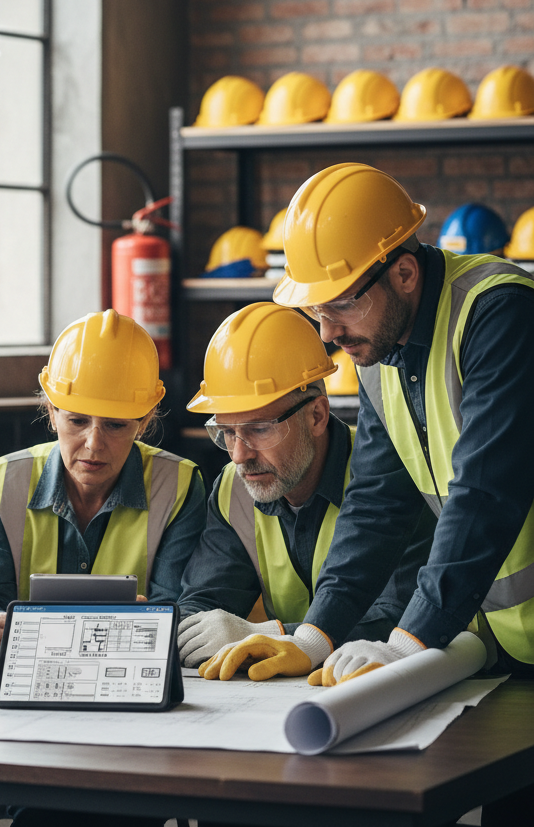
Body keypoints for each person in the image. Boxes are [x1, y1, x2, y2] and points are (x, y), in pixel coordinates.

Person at [200, 163, 534, 825]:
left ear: (404, 273)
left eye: (342, 303)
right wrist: (316, 635)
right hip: (511, 647)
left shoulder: (500, 312)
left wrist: (407, 647)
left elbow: (486, 493)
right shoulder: (381, 351)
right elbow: (377, 509)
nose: (326, 333)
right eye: (315, 309)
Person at [177, 302, 434, 667]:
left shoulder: (388, 479)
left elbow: (400, 618)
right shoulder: (233, 489)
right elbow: (202, 607)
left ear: (317, 415)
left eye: (260, 429)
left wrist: (269, 635)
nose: (238, 455)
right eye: (226, 432)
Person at [0, 308, 205, 660]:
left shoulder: (180, 486)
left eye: (115, 425)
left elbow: (175, 609)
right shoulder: (5, 482)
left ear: (144, 420)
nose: (93, 443)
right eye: (77, 420)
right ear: (52, 411)